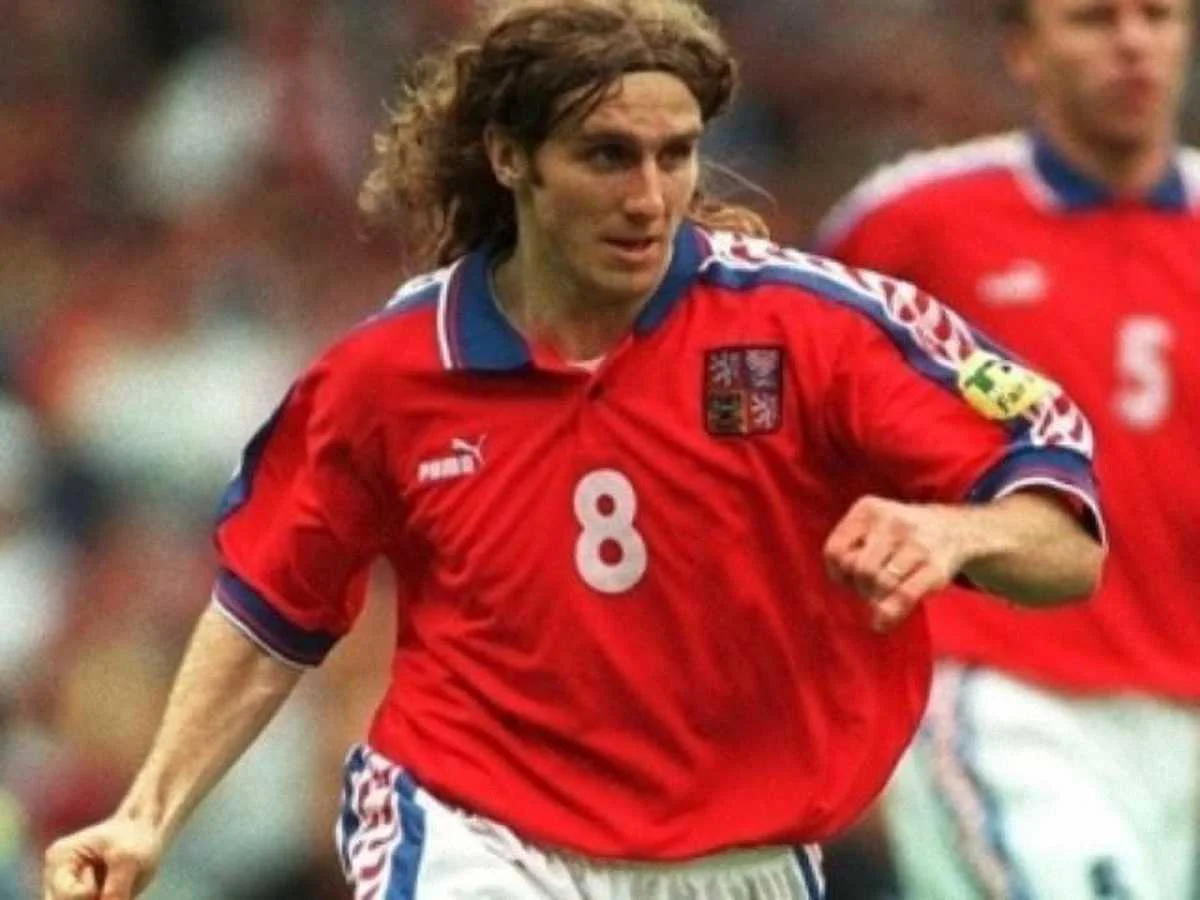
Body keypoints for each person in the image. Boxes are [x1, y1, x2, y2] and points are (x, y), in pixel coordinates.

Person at [43, 1, 1105, 898]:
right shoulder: (388, 375)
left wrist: (956, 532)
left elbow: (1066, 539)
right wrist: (147, 814)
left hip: (745, 859)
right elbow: (270, 611)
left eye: (675, 155)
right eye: (606, 155)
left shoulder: (813, 329)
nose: (648, 198)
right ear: (511, 157)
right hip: (475, 832)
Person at [815, 0, 1200, 897]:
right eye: (1093, 19)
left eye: (1157, 16)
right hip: (998, 691)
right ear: (1024, 51)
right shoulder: (916, 218)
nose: (1132, 43)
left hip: (1182, 699)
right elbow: (790, 419)